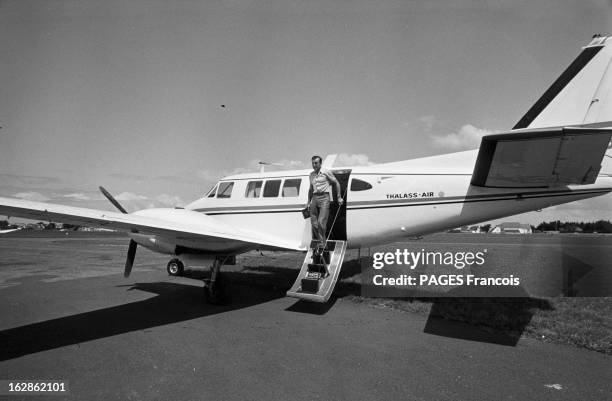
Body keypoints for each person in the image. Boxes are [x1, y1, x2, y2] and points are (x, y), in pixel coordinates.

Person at [307, 155, 343, 245]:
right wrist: (308, 202)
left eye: (316, 163)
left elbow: (336, 183)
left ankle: (323, 243)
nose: (314, 165)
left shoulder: (326, 172)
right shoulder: (311, 175)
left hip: (324, 197)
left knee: (320, 222)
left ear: (320, 163)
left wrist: (339, 197)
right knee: (314, 222)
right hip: (314, 197)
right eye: (313, 163)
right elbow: (311, 189)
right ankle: (321, 241)